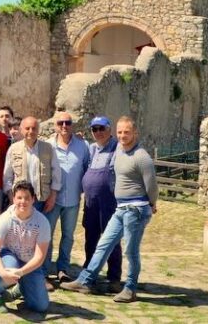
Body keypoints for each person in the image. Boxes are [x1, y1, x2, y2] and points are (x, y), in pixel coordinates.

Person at [62, 116, 158, 303]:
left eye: (127, 132)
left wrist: (152, 203)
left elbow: (152, 185)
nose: (123, 135)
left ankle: (130, 288)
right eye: (120, 132)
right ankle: (86, 280)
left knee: (131, 251)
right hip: (121, 208)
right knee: (104, 244)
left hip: (135, 209)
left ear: (135, 133)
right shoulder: (120, 151)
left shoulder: (142, 156)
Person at [0, 181, 51, 314]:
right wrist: (3, 272)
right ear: (13, 199)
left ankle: (20, 288)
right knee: (11, 265)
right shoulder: (5, 218)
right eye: (19, 198)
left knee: (41, 306)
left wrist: (21, 272)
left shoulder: (42, 222)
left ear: (33, 199)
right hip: (9, 255)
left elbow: (39, 258)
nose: (23, 201)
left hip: (30, 262)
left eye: (27, 198)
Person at [45, 111, 89, 283]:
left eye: (68, 123)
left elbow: (87, 168)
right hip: (52, 200)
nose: (64, 126)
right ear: (56, 125)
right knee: (47, 235)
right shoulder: (48, 145)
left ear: (72, 125)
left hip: (72, 200)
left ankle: (63, 268)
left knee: (68, 236)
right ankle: (44, 269)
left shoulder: (82, 145)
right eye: (61, 123)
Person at [81, 116, 122, 293]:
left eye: (101, 128)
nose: (98, 132)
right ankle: (89, 274)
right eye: (94, 129)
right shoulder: (91, 149)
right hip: (90, 202)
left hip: (109, 202)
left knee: (111, 239)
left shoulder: (118, 148)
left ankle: (114, 277)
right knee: (91, 238)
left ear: (109, 129)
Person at [3, 116, 61, 213]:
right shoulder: (13, 149)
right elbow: (7, 176)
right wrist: (11, 197)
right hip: (21, 201)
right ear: (21, 130)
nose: (31, 131)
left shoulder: (48, 148)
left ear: (38, 130)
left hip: (42, 201)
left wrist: (53, 196)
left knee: (41, 228)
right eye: (27, 128)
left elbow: (56, 173)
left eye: (34, 128)